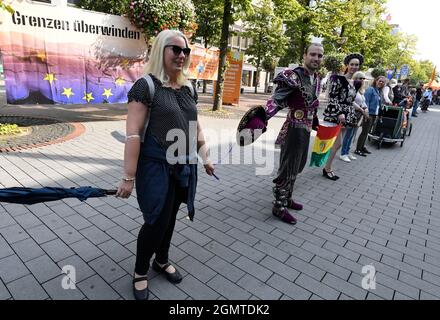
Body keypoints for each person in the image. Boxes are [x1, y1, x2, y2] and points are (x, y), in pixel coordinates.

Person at [116, 29, 215, 300]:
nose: (182, 55)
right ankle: (139, 271)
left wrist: (205, 155)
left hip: (182, 166)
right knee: (155, 220)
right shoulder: (146, 86)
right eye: (175, 49)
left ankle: (161, 259)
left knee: (171, 217)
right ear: (161, 50)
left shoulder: (189, 87)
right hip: (155, 166)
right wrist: (128, 176)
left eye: (186, 51)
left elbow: (195, 127)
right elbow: (134, 133)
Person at [264, 43, 324, 224]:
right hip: (293, 129)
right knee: (288, 167)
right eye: (312, 54)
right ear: (305, 55)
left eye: (319, 55)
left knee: (298, 165)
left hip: (305, 129)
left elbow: (310, 103)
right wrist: (263, 116)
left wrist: (314, 122)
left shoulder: (316, 78)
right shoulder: (293, 76)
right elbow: (277, 99)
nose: (316, 58)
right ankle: (279, 206)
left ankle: (287, 198)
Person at [322, 53, 361, 178]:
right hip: (336, 115)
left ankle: (327, 166)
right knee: (337, 143)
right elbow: (332, 97)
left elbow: (350, 100)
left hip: (346, 116)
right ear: (347, 65)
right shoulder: (337, 79)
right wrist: (340, 113)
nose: (354, 67)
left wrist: (362, 110)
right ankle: (327, 168)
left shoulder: (355, 82)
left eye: (357, 65)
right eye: (352, 64)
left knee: (337, 143)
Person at [340, 71, 369, 162]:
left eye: (363, 78)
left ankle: (347, 152)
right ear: (355, 78)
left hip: (359, 115)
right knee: (348, 135)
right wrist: (361, 109)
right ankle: (343, 153)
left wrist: (366, 108)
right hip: (352, 113)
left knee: (352, 135)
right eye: (360, 78)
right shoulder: (352, 88)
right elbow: (351, 101)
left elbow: (363, 101)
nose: (362, 80)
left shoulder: (361, 90)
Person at [357, 76, 386, 152]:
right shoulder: (371, 89)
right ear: (376, 81)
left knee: (367, 131)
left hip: (374, 114)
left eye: (383, 82)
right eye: (380, 81)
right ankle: (358, 149)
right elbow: (366, 102)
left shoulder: (378, 91)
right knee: (364, 132)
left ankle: (362, 147)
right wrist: (367, 114)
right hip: (369, 114)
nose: (381, 83)